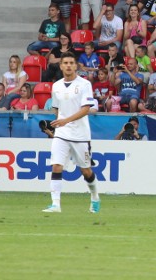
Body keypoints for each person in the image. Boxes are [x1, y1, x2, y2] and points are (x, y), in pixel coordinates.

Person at [43, 53, 101, 214]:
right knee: (56, 166)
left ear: (76, 66)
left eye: (71, 63)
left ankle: (95, 197)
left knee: (86, 171)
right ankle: (55, 204)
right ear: (61, 66)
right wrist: (59, 123)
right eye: (65, 63)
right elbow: (56, 108)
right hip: (62, 133)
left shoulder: (84, 84)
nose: (68, 66)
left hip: (80, 134)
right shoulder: (56, 86)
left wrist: (65, 120)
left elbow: (85, 109)